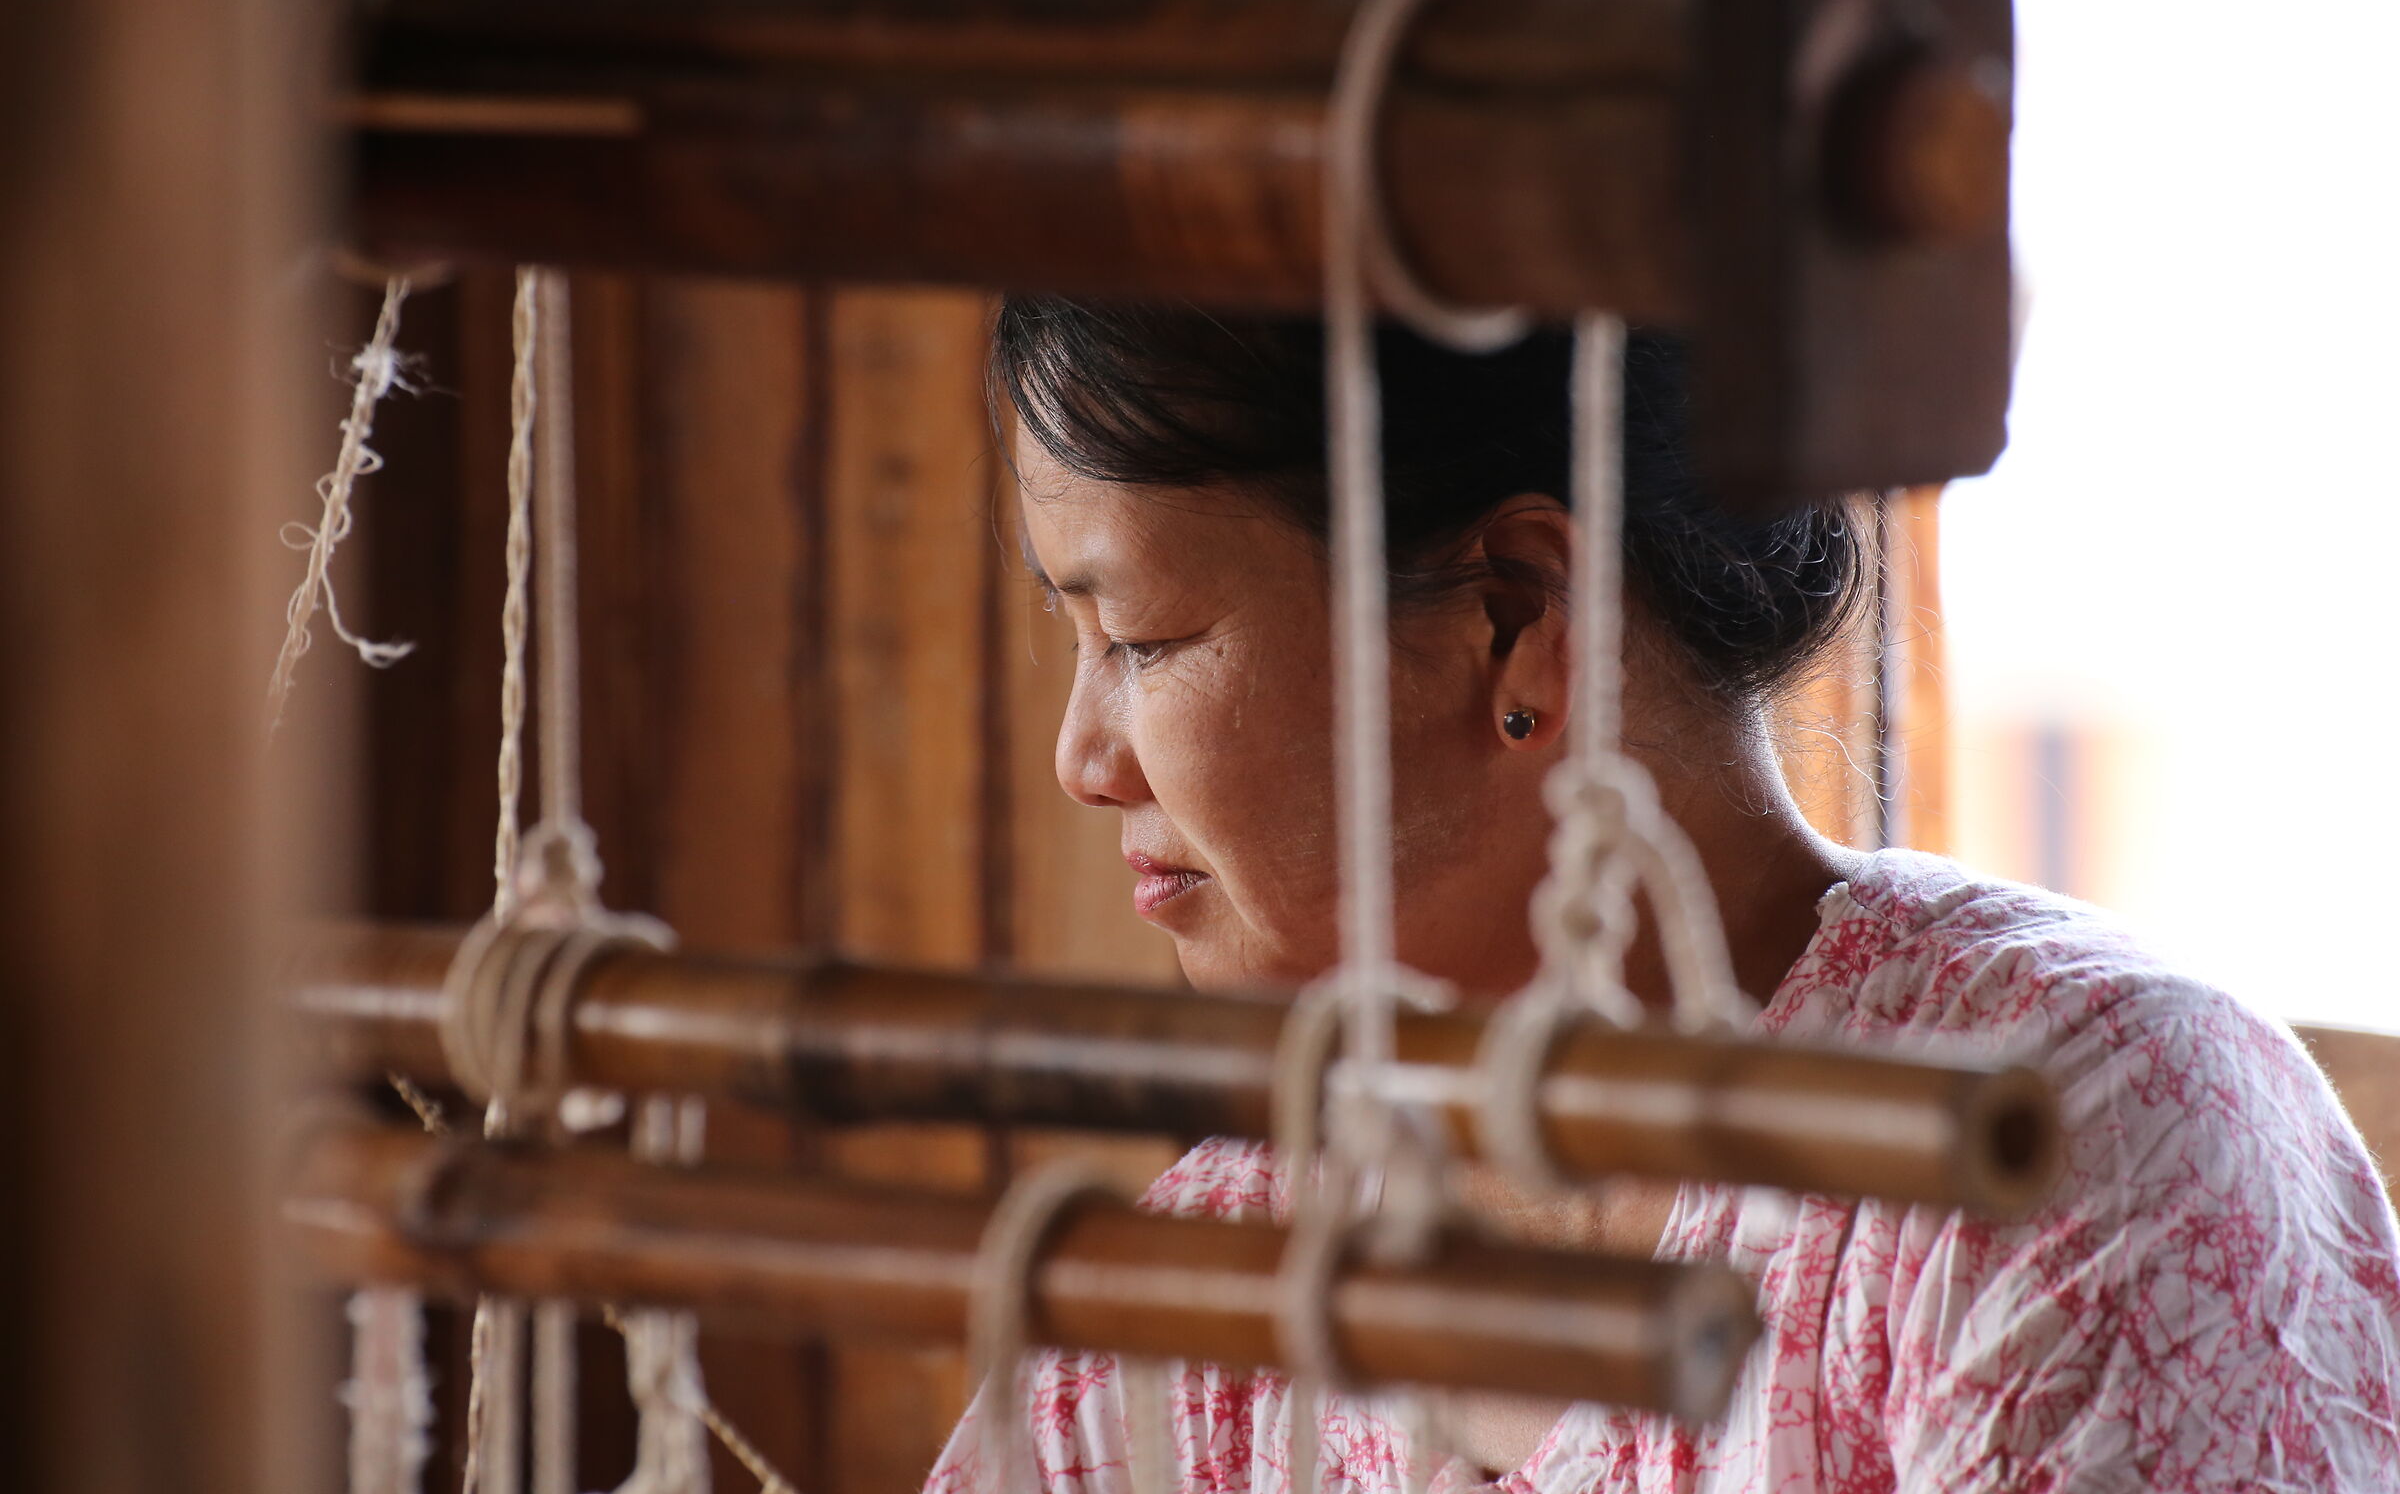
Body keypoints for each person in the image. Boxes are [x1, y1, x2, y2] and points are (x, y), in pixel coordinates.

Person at [924, 297, 2400, 1494]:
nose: (1082, 760)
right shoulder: (1208, 1287)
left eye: (1142, 639)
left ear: (1514, 622)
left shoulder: (2061, 1143)